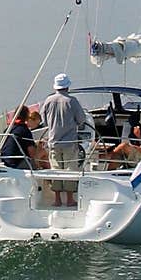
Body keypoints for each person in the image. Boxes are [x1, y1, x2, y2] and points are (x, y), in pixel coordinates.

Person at [40, 72, 88, 206]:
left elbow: (44, 121)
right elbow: (81, 119)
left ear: (55, 87)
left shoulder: (48, 101)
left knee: (56, 169)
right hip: (70, 142)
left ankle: (57, 200)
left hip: (53, 142)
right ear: (67, 87)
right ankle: (70, 199)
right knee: (69, 170)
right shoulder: (72, 101)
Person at [0, 104, 38, 169]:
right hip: (18, 163)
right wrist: (38, 146)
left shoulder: (7, 130)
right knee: (41, 154)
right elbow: (32, 153)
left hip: (5, 162)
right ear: (26, 116)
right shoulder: (24, 130)